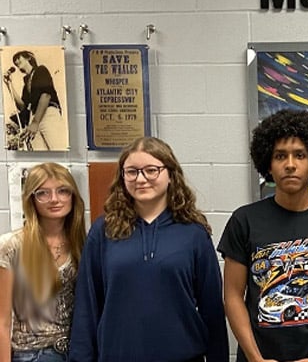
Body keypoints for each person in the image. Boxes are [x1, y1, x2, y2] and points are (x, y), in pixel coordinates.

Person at [218, 109, 308, 362]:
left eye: (300, 155)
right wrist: (255, 358)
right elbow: (232, 295)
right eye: (280, 156)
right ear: (268, 165)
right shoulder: (245, 220)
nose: (290, 164)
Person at [68, 137, 228, 362]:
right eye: (132, 171)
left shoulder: (193, 233)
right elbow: (87, 305)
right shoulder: (104, 231)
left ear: (170, 175)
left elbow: (212, 309)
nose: (141, 179)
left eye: (151, 170)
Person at [0, 163, 86, 362]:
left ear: (73, 196)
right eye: (43, 193)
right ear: (32, 199)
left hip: (77, 351)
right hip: (33, 354)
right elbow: (2, 322)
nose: (54, 199)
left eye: (63, 191)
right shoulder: (11, 246)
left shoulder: (83, 244)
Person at [2, 51, 65, 151]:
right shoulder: (26, 84)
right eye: (15, 61)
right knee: (40, 154)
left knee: (57, 148)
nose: (16, 61)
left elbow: (46, 95)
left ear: (28, 58)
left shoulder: (41, 70)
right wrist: (9, 85)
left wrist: (35, 123)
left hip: (47, 113)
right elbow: (23, 107)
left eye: (18, 58)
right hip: (34, 117)